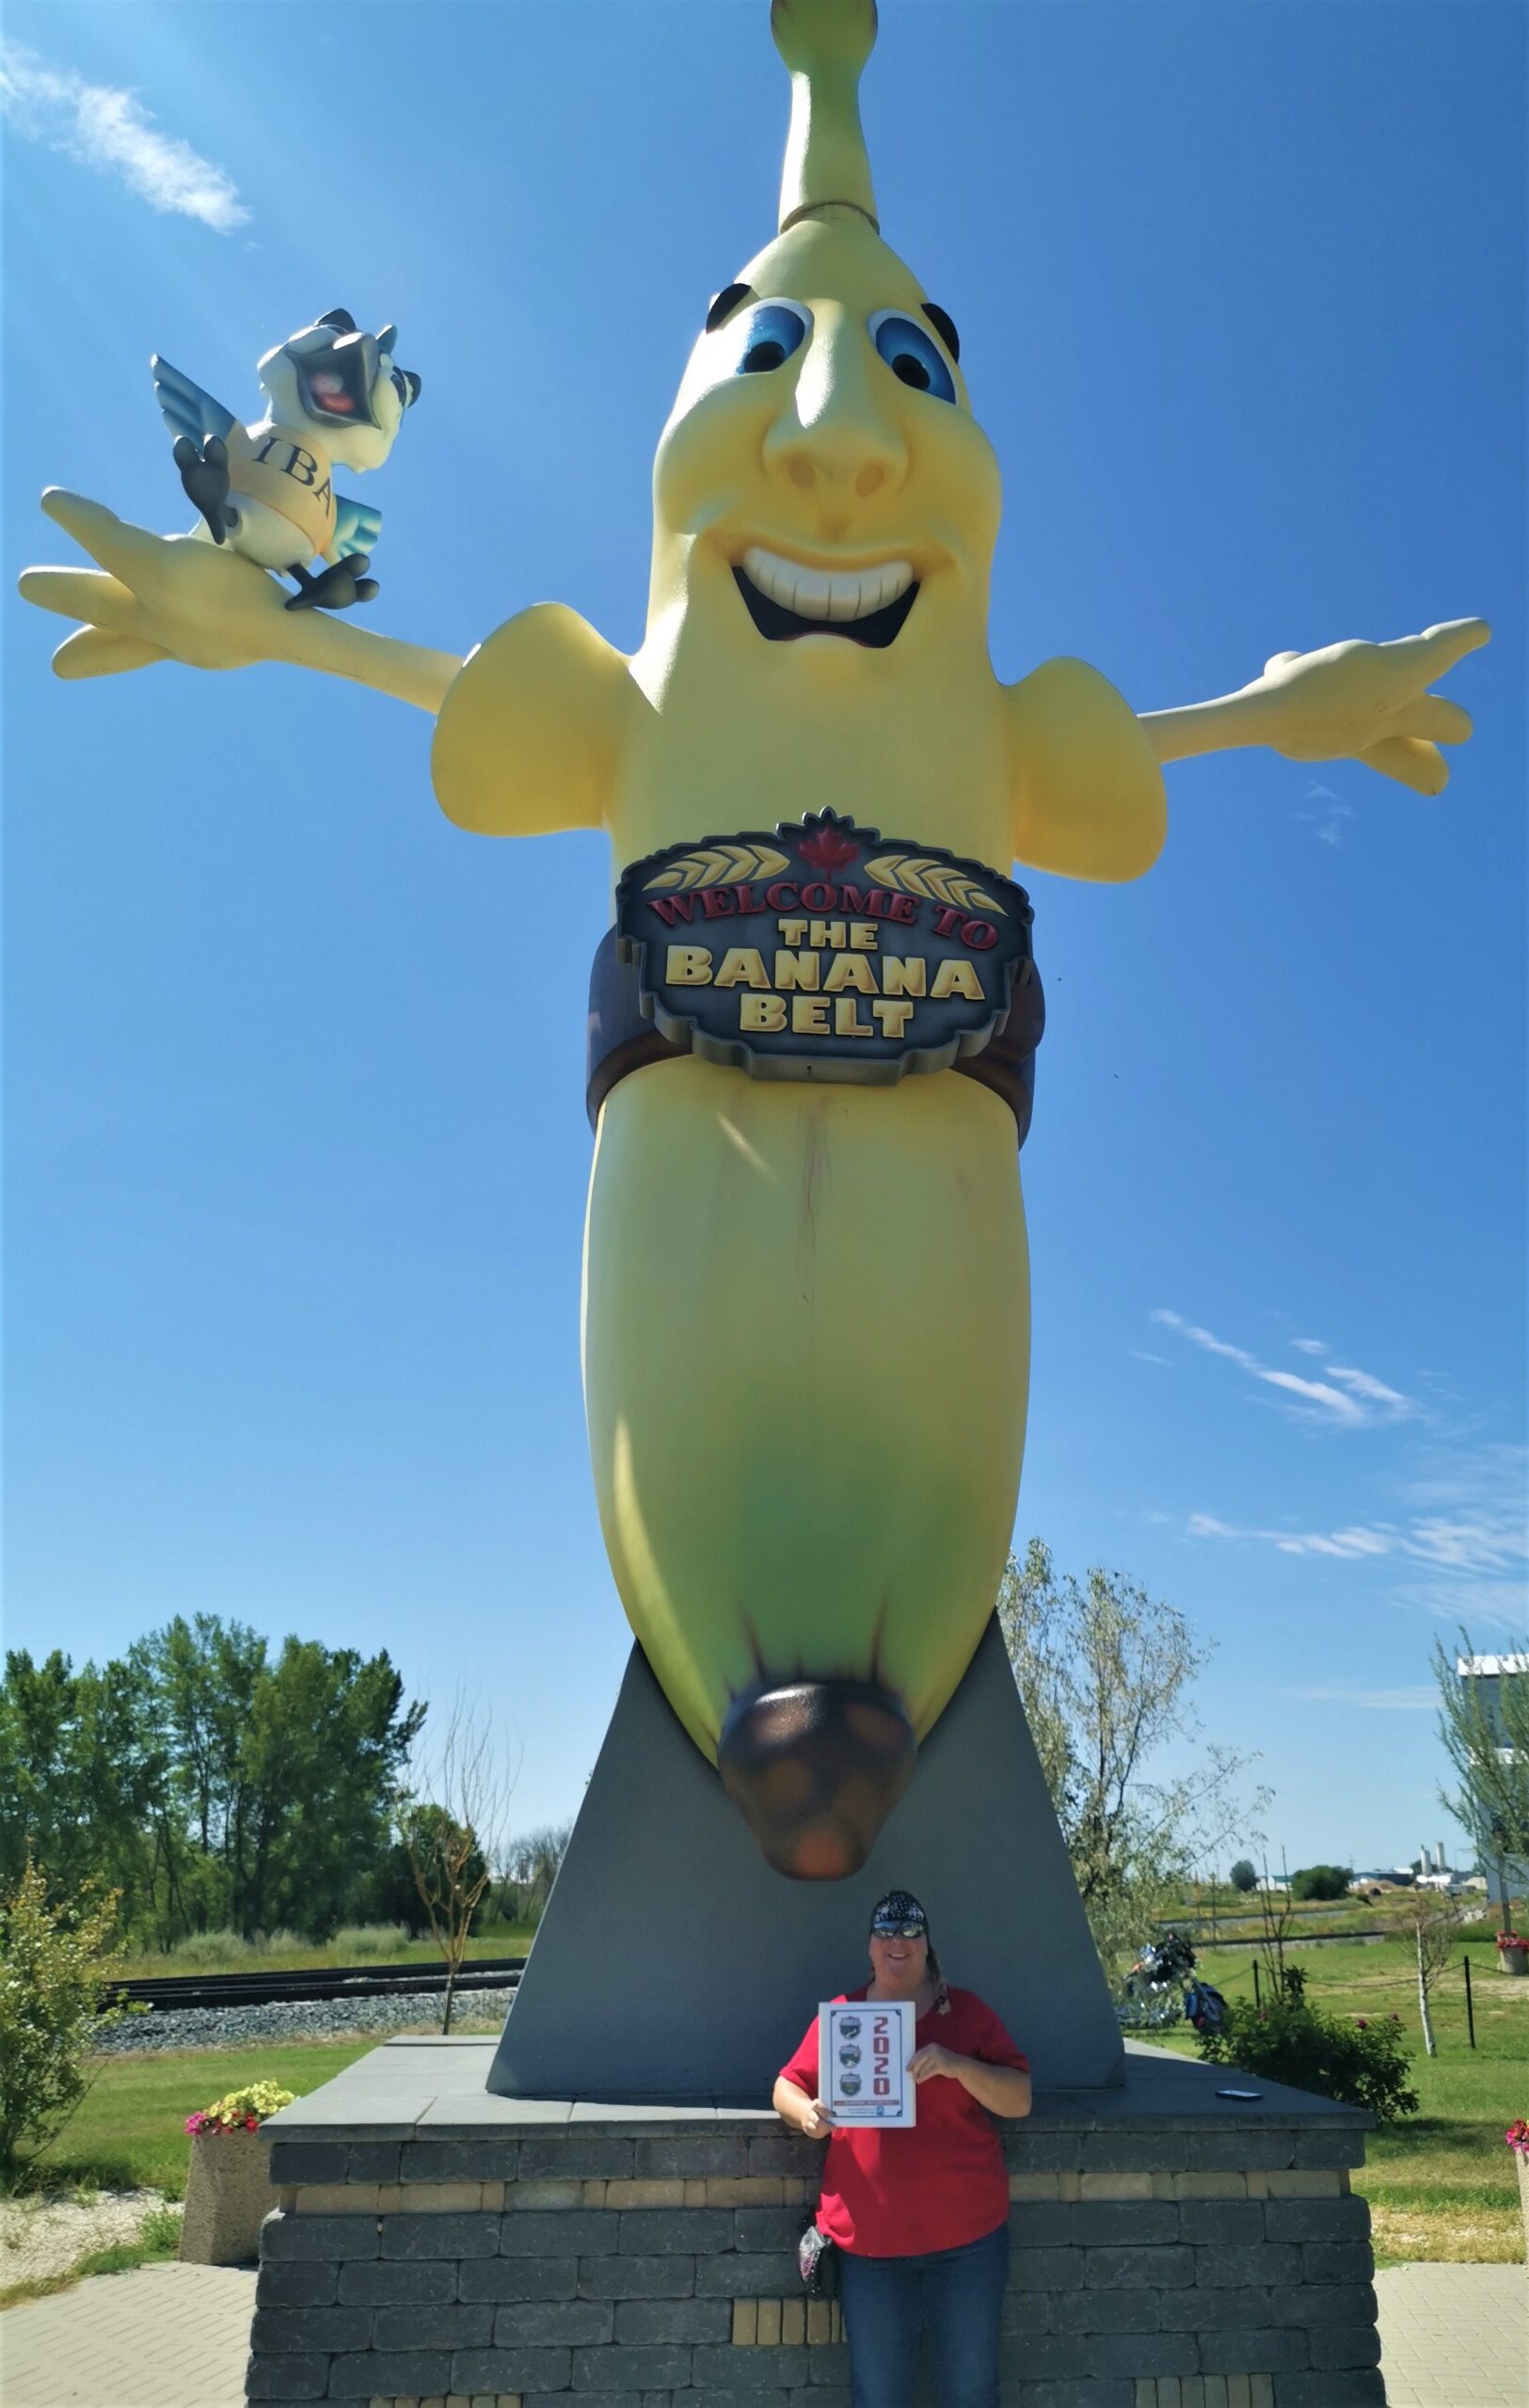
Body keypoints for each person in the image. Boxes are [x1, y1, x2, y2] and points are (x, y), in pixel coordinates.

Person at [773, 1889, 1032, 2408]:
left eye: (911, 1931)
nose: (899, 1942)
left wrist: (958, 2064)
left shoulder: (967, 2013)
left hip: (967, 2244)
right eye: (886, 1932)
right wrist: (807, 2115)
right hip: (868, 2249)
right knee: (879, 2397)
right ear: (869, 1946)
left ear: (927, 1944)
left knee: (970, 2393)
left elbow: (1019, 2099)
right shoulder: (843, 2016)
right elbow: (786, 2085)